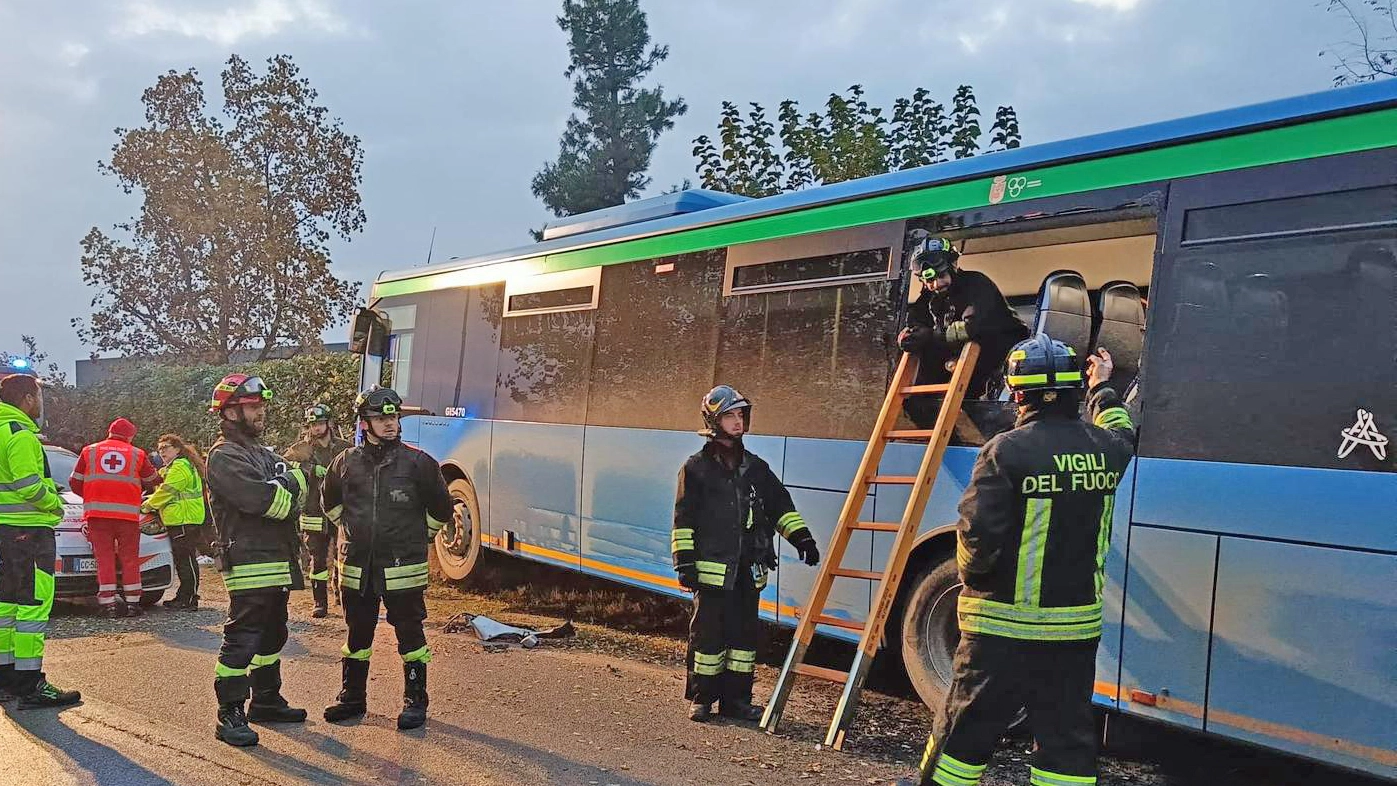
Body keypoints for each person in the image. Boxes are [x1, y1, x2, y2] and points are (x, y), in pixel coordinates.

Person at [907, 337, 1135, 786]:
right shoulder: (1108, 449)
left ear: (1017, 395)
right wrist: (1102, 388)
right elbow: (1124, 429)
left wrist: (974, 581)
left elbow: (976, 537)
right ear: (1073, 391)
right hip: (1073, 631)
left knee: (965, 730)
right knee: (1065, 738)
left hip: (1000, 628)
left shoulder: (1005, 451)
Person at [672, 385, 821, 723]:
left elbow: (781, 507)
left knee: (743, 639)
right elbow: (683, 520)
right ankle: (702, 698)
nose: (737, 422)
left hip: (749, 570)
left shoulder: (756, 468)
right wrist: (685, 564)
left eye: (740, 415)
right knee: (708, 637)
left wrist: (803, 539)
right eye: (729, 415)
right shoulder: (695, 468)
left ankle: (737, 701)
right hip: (710, 571)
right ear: (714, 420)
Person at [320, 387, 453, 730]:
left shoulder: (418, 463)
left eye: (393, 417)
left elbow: (442, 507)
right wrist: (350, 531)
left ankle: (415, 700)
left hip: (402, 569)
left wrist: (418, 537)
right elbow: (329, 502)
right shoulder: (344, 463)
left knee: (410, 635)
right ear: (365, 424)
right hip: (356, 568)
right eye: (382, 418)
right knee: (357, 635)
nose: (391, 424)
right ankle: (351, 699)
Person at [206, 373, 309, 747]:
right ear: (230, 412)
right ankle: (230, 712)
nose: (260, 412)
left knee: (273, 632)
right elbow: (264, 501)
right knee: (243, 637)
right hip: (248, 560)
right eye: (252, 406)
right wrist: (286, 488)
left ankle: (265, 700)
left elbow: (298, 487)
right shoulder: (224, 456)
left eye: (261, 405)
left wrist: (286, 487)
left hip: (277, 559)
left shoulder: (261, 453)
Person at [0, 373, 81, 708]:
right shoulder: (20, 435)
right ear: (28, 399)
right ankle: (31, 684)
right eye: (39, 397)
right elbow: (28, 484)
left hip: (6, 531)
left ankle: (6, 677)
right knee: (33, 606)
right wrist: (53, 501)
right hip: (29, 531)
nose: (41, 404)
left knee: (5, 607)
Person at [898, 237, 1030, 428]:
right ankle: (950, 448)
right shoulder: (930, 298)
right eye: (929, 280)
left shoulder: (976, 285)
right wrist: (908, 335)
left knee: (978, 407)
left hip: (1002, 363)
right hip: (969, 367)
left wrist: (932, 336)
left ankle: (999, 447)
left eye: (941, 276)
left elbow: (973, 327)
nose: (936, 284)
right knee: (915, 403)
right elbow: (916, 320)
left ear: (952, 265)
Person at [70, 418, 159, 618]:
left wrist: (93, 496)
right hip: (127, 517)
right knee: (129, 559)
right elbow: (152, 481)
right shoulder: (137, 454)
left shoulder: (89, 451)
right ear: (130, 435)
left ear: (109, 432)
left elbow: (74, 482)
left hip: (98, 516)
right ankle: (133, 604)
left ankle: (107, 604)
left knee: (104, 558)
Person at [283, 403, 351, 619]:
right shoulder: (300, 449)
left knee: (343, 558)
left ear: (329, 423)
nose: (317, 428)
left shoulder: (343, 447)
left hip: (340, 510)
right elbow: (285, 468)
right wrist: (311, 470)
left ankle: (341, 595)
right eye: (313, 424)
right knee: (318, 560)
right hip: (313, 512)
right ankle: (319, 602)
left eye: (321, 423)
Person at [142, 434, 207, 611]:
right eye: (160, 449)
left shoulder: (180, 467)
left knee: (185, 560)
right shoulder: (176, 466)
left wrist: (147, 505)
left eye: (166, 448)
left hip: (184, 519)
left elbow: (167, 491)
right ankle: (184, 596)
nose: (162, 452)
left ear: (177, 449)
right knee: (183, 559)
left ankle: (189, 598)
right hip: (182, 518)